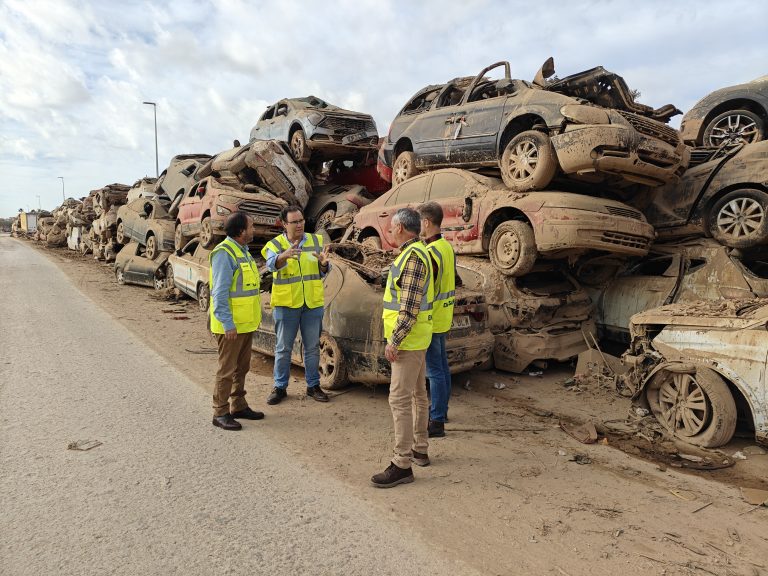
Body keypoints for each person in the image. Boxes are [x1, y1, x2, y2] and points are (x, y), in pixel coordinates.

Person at [371, 207, 434, 488]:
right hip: (419, 338)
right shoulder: (417, 252)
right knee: (418, 395)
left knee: (399, 400)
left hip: (408, 340)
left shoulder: (412, 259)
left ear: (401, 228)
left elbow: (407, 309)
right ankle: (420, 448)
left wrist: (394, 341)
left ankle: (402, 463)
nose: (389, 230)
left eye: (392, 226)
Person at [261, 205, 331, 405]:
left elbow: (322, 270)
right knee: (283, 348)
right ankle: (280, 387)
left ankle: (313, 386)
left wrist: (325, 265)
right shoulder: (275, 244)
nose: (300, 225)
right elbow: (271, 264)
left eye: (301, 221)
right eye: (295, 222)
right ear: (284, 224)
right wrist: (284, 256)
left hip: (311, 303)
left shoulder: (316, 241)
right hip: (286, 304)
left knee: (312, 348)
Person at [209, 212, 264, 431]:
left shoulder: (243, 252)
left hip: (245, 324)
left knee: (241, 368)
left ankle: (238, 405)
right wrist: (227, 323)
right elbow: (220, 293)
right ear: (241, 231)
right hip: (231, 326)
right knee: (227, 370)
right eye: (251, 226)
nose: (254, 229)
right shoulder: (224, 253)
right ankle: (220, 412)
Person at [418, 202, 456, 438]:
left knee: (435, 371)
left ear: (426, 222)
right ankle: (442, 411)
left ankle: (437, 420)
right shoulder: (446, 247)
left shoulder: (430, 252)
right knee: (442, 367)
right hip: (445, 315)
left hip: (433, 318)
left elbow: (426, 286)